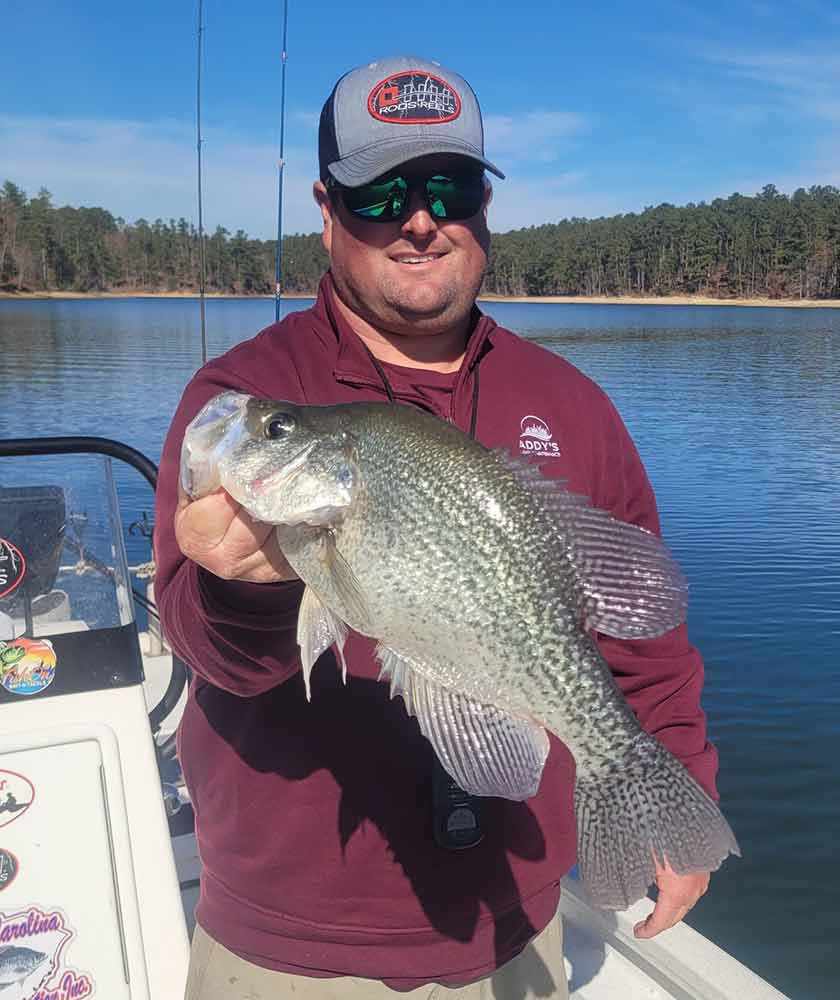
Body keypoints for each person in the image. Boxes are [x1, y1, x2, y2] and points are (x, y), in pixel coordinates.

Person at [154, 55, 723, 1000]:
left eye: (449, 187)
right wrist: (239, 588)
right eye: (381, 193)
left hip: (510, 922)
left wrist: (682, 785)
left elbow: (646, 643)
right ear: (327, 209)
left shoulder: (570, 404)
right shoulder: (247, 400)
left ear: (483, 210)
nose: (420, 219)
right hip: (291, 946)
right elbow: (214, 656)